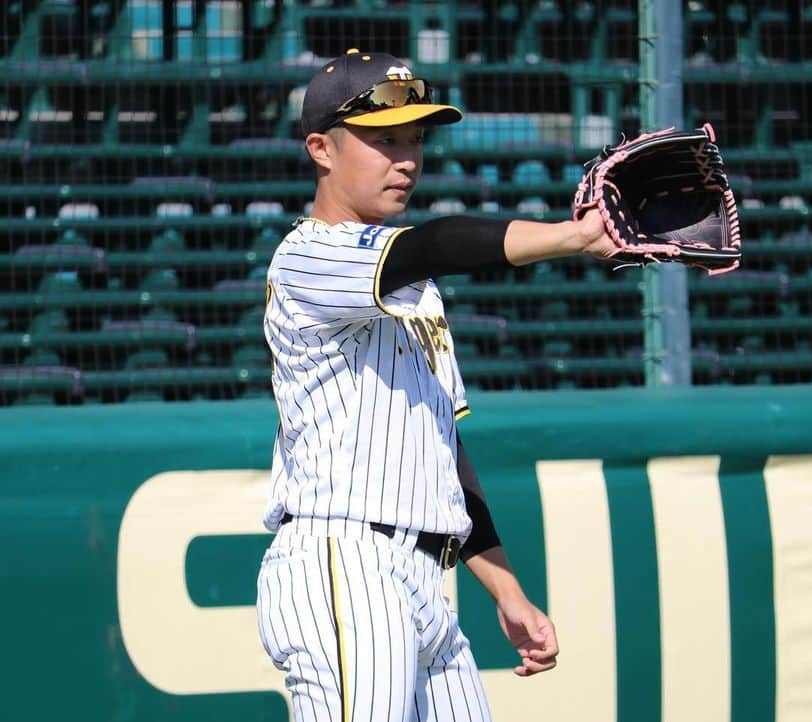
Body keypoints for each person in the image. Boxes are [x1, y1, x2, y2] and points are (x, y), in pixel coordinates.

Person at [255, 50, 618, 722]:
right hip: (344, 560)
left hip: (424, 580)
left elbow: (441, 452)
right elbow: (437, 242)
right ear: (321, 149)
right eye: (383, 139)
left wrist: (505, 588)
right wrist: (575, 235)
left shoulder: (417, 294)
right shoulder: (310, 257)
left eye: (415, 139)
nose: (407, 159)